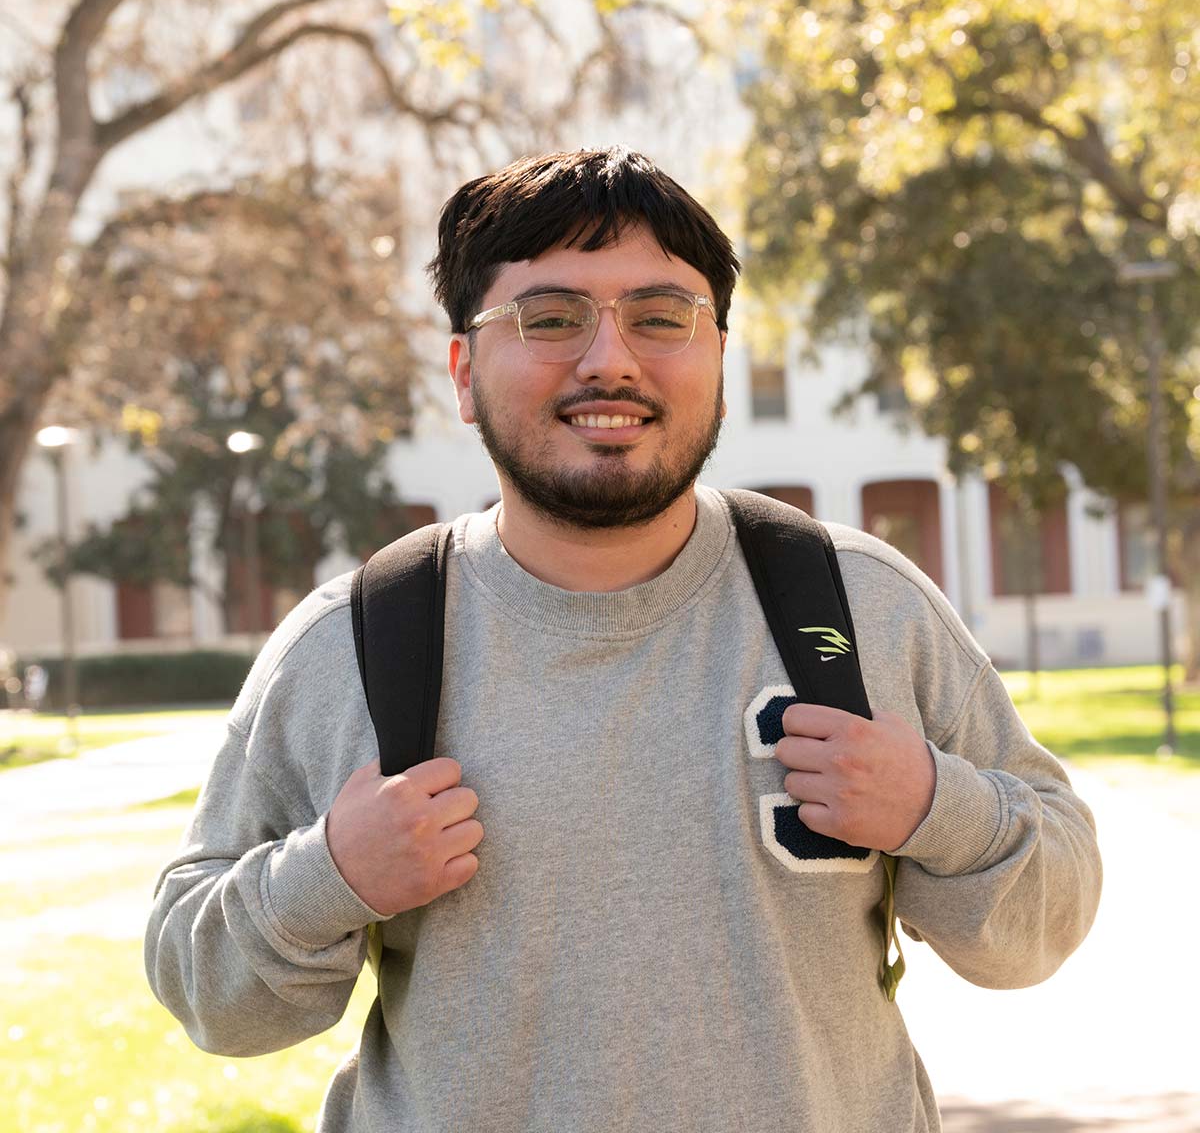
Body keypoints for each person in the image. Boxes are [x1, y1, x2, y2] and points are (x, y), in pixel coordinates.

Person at [145, 146, 1102, 1132]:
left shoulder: (862, 607)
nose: (611, 359)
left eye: (660, 317)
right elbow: (210, 998)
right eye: (550, 318)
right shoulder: (354, 644)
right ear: (465, 372)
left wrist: (934, 807)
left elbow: (1044, 925)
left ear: (721, 364)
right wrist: (331, 875)